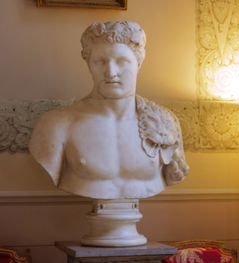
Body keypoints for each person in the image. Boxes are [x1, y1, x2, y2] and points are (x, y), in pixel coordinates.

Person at [29, 21, 189, 200]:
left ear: (138, 63)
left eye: (122, 62)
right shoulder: (56, 124)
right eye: (100, 62)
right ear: (89, 64)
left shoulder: (166, 122)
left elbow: (175, 171)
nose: (111, 72)